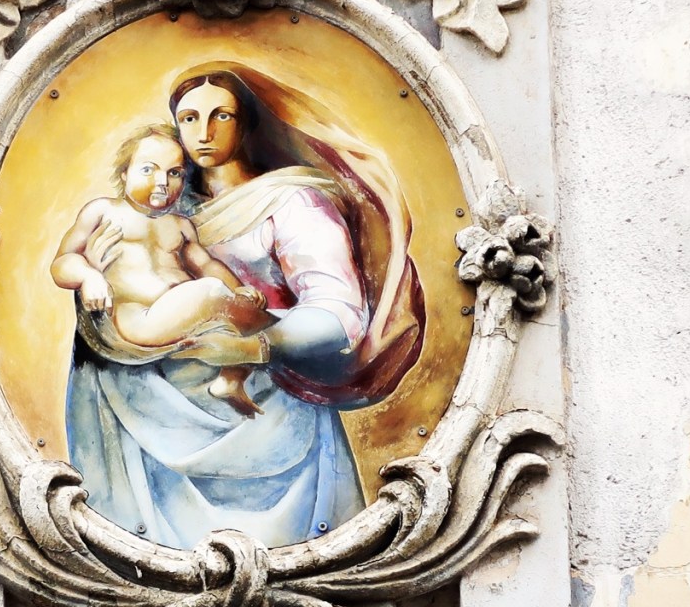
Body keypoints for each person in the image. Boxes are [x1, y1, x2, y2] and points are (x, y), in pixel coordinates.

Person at [62, 64, 425, 550]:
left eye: (222, 116)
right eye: (189, 118)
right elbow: (92, 277)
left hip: (264, 420)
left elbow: (340, 315)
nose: (204, 132)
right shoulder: (162, 206)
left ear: (248, 121)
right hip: (146, 417)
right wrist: (95, 276)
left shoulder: (291, 201)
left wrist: (254, 348)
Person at [50, 124, 270, 415]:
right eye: (148, 170)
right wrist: (89, 276)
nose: (163, 181)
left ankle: (230, 380)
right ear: (124, 173)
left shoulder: (180, 225)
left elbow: (206, 265)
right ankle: (278, 339)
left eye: (174, 173)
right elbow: (62, 262)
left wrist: (238, 289)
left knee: (239, 318)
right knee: (214, 293)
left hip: (184, 318)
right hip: (137, 321)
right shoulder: (104, 211)